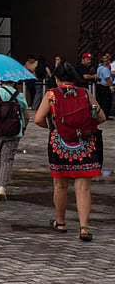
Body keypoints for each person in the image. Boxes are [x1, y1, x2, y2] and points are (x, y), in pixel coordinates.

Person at [34, 62, 107, 242]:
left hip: (59, 143)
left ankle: (61, 222)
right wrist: (85, 128)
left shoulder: (51, 95)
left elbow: (38, 119)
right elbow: (102, 117)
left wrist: (54, 128)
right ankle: (84, 227)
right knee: (83, 188)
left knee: (60, 185)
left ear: (57, 79)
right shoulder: (85, 93)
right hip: (85, 144)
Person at [0, 79, 29, 201]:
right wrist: (23, 127)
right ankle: (2, 186)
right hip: (13, 131)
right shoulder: (19, 95)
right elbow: (26, 115)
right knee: (7, 159)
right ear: (14, 82)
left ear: (0, 81)